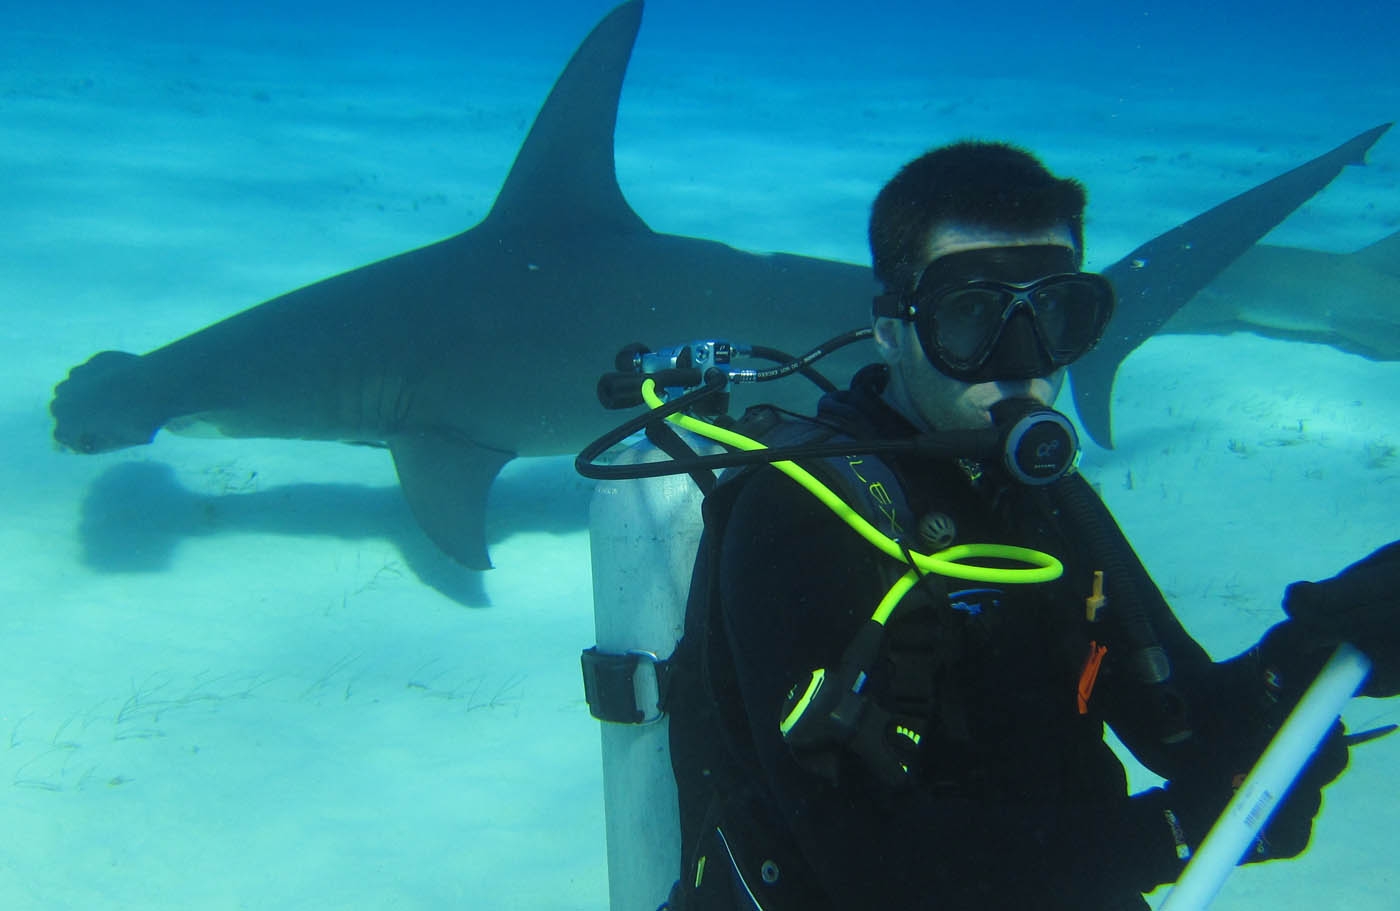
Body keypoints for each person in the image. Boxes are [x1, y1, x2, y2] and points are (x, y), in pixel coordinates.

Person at [661, 141, 1400, 910]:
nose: (1022, 365)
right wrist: (1173, 832)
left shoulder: (1042, 492)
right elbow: (870, 867)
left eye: (1054, 315)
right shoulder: (803, 513)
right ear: (890, 330)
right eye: (971, 316)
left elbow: (1181, 725)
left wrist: (1316, 644)